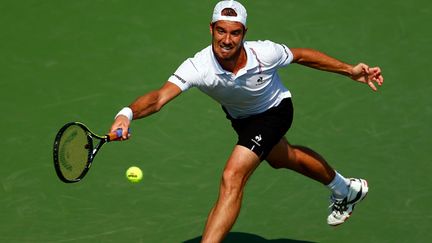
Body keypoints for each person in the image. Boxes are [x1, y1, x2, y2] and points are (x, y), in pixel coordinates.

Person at [110, 1, 384, 242]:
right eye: (221, 30)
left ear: (244, 34)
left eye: (234, 32)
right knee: (282, 158)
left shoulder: (264, 53)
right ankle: (347, 189)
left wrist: (349, 70)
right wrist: (127, 113)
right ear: (211, 29)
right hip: (242, 121)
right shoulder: (198, 67)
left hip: (276, 110)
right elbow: (158, 97)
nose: (227, 39)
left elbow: (301, 55)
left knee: (233, 176)